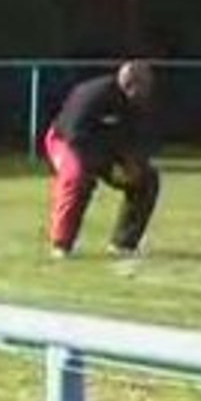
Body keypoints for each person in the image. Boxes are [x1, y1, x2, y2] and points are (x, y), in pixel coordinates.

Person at [43, 60, 160, 258]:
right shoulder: (93, 94)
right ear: (129, 83)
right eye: (143, 86)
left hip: (107, 150)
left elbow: (137, 139)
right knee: (78, 178)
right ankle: (61, 244)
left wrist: (132, 162)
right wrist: (103, 166)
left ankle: (123, 243)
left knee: (146, 179)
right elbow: (75, 135)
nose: (147, 92)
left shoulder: (139, 105)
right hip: (66, 142)